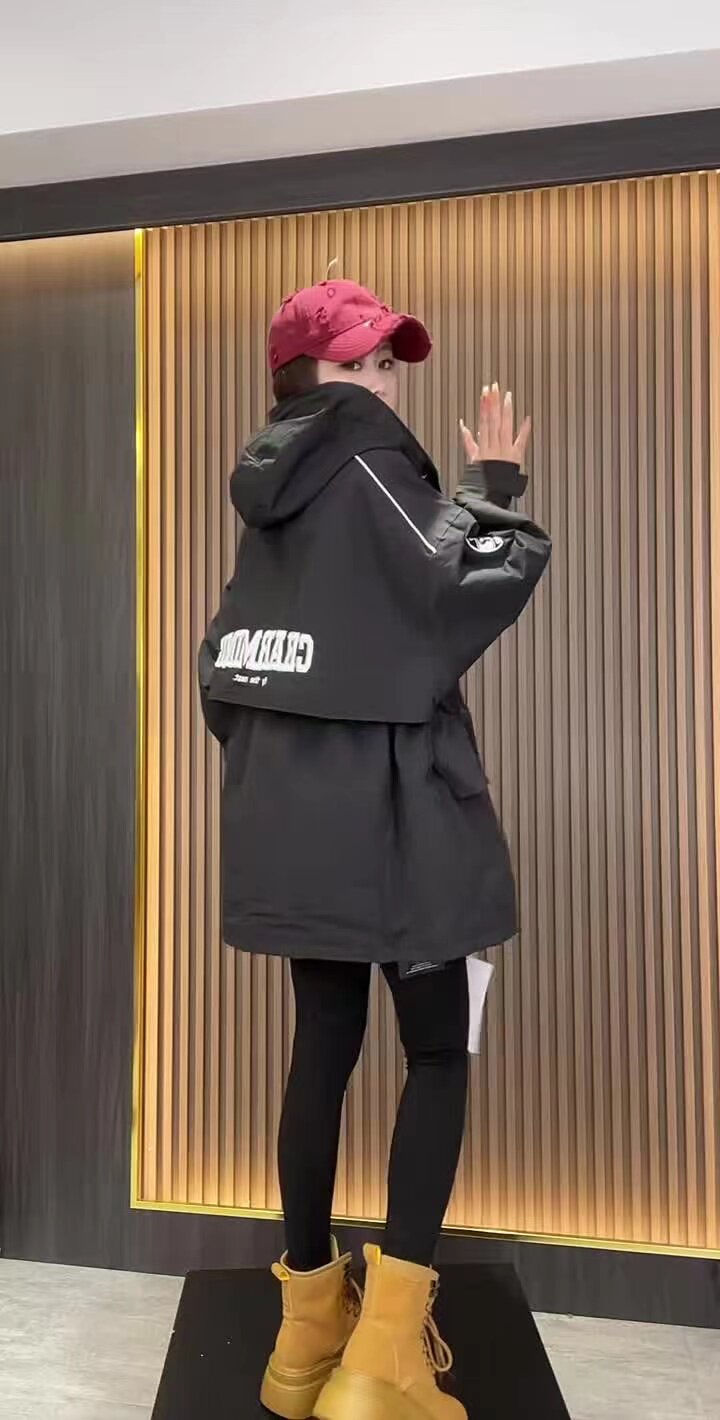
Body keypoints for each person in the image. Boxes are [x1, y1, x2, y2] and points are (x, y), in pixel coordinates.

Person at [199, 279, 551, 1420]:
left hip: (301, 822)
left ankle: (305, 1337)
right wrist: (497, 489)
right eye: (363, 361)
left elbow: (226, 669)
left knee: (323, 1044)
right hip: (401, 819)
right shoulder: (369, 461)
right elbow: (461, 588)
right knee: (437, 1052)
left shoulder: (271, 496)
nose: (384, 382)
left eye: (389, 363)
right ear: (310, 375)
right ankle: (383, 1363)